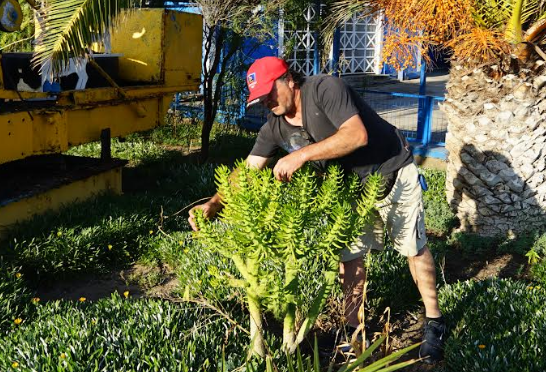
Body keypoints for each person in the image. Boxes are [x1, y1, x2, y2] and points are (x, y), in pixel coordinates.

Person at [188, 56, 447, 363]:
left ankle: (434, 322)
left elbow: (356, 135)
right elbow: (247, 171)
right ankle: (355, 334)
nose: (266, 102)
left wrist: (301, 156)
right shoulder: (274, 127)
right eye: (260, 99)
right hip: (349, 190)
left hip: (391, 171)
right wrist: (215, 204)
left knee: (412, 249)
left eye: (270, 92)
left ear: (289, 79)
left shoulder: (326, 88)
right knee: (350, 258)